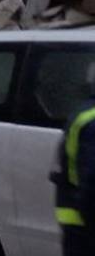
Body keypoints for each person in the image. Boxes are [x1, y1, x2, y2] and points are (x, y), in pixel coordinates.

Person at [54, 63, 95, 255]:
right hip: (85, 224)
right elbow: (92, 183)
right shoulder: (92, 122)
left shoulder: (83, 113)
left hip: (75, 219)